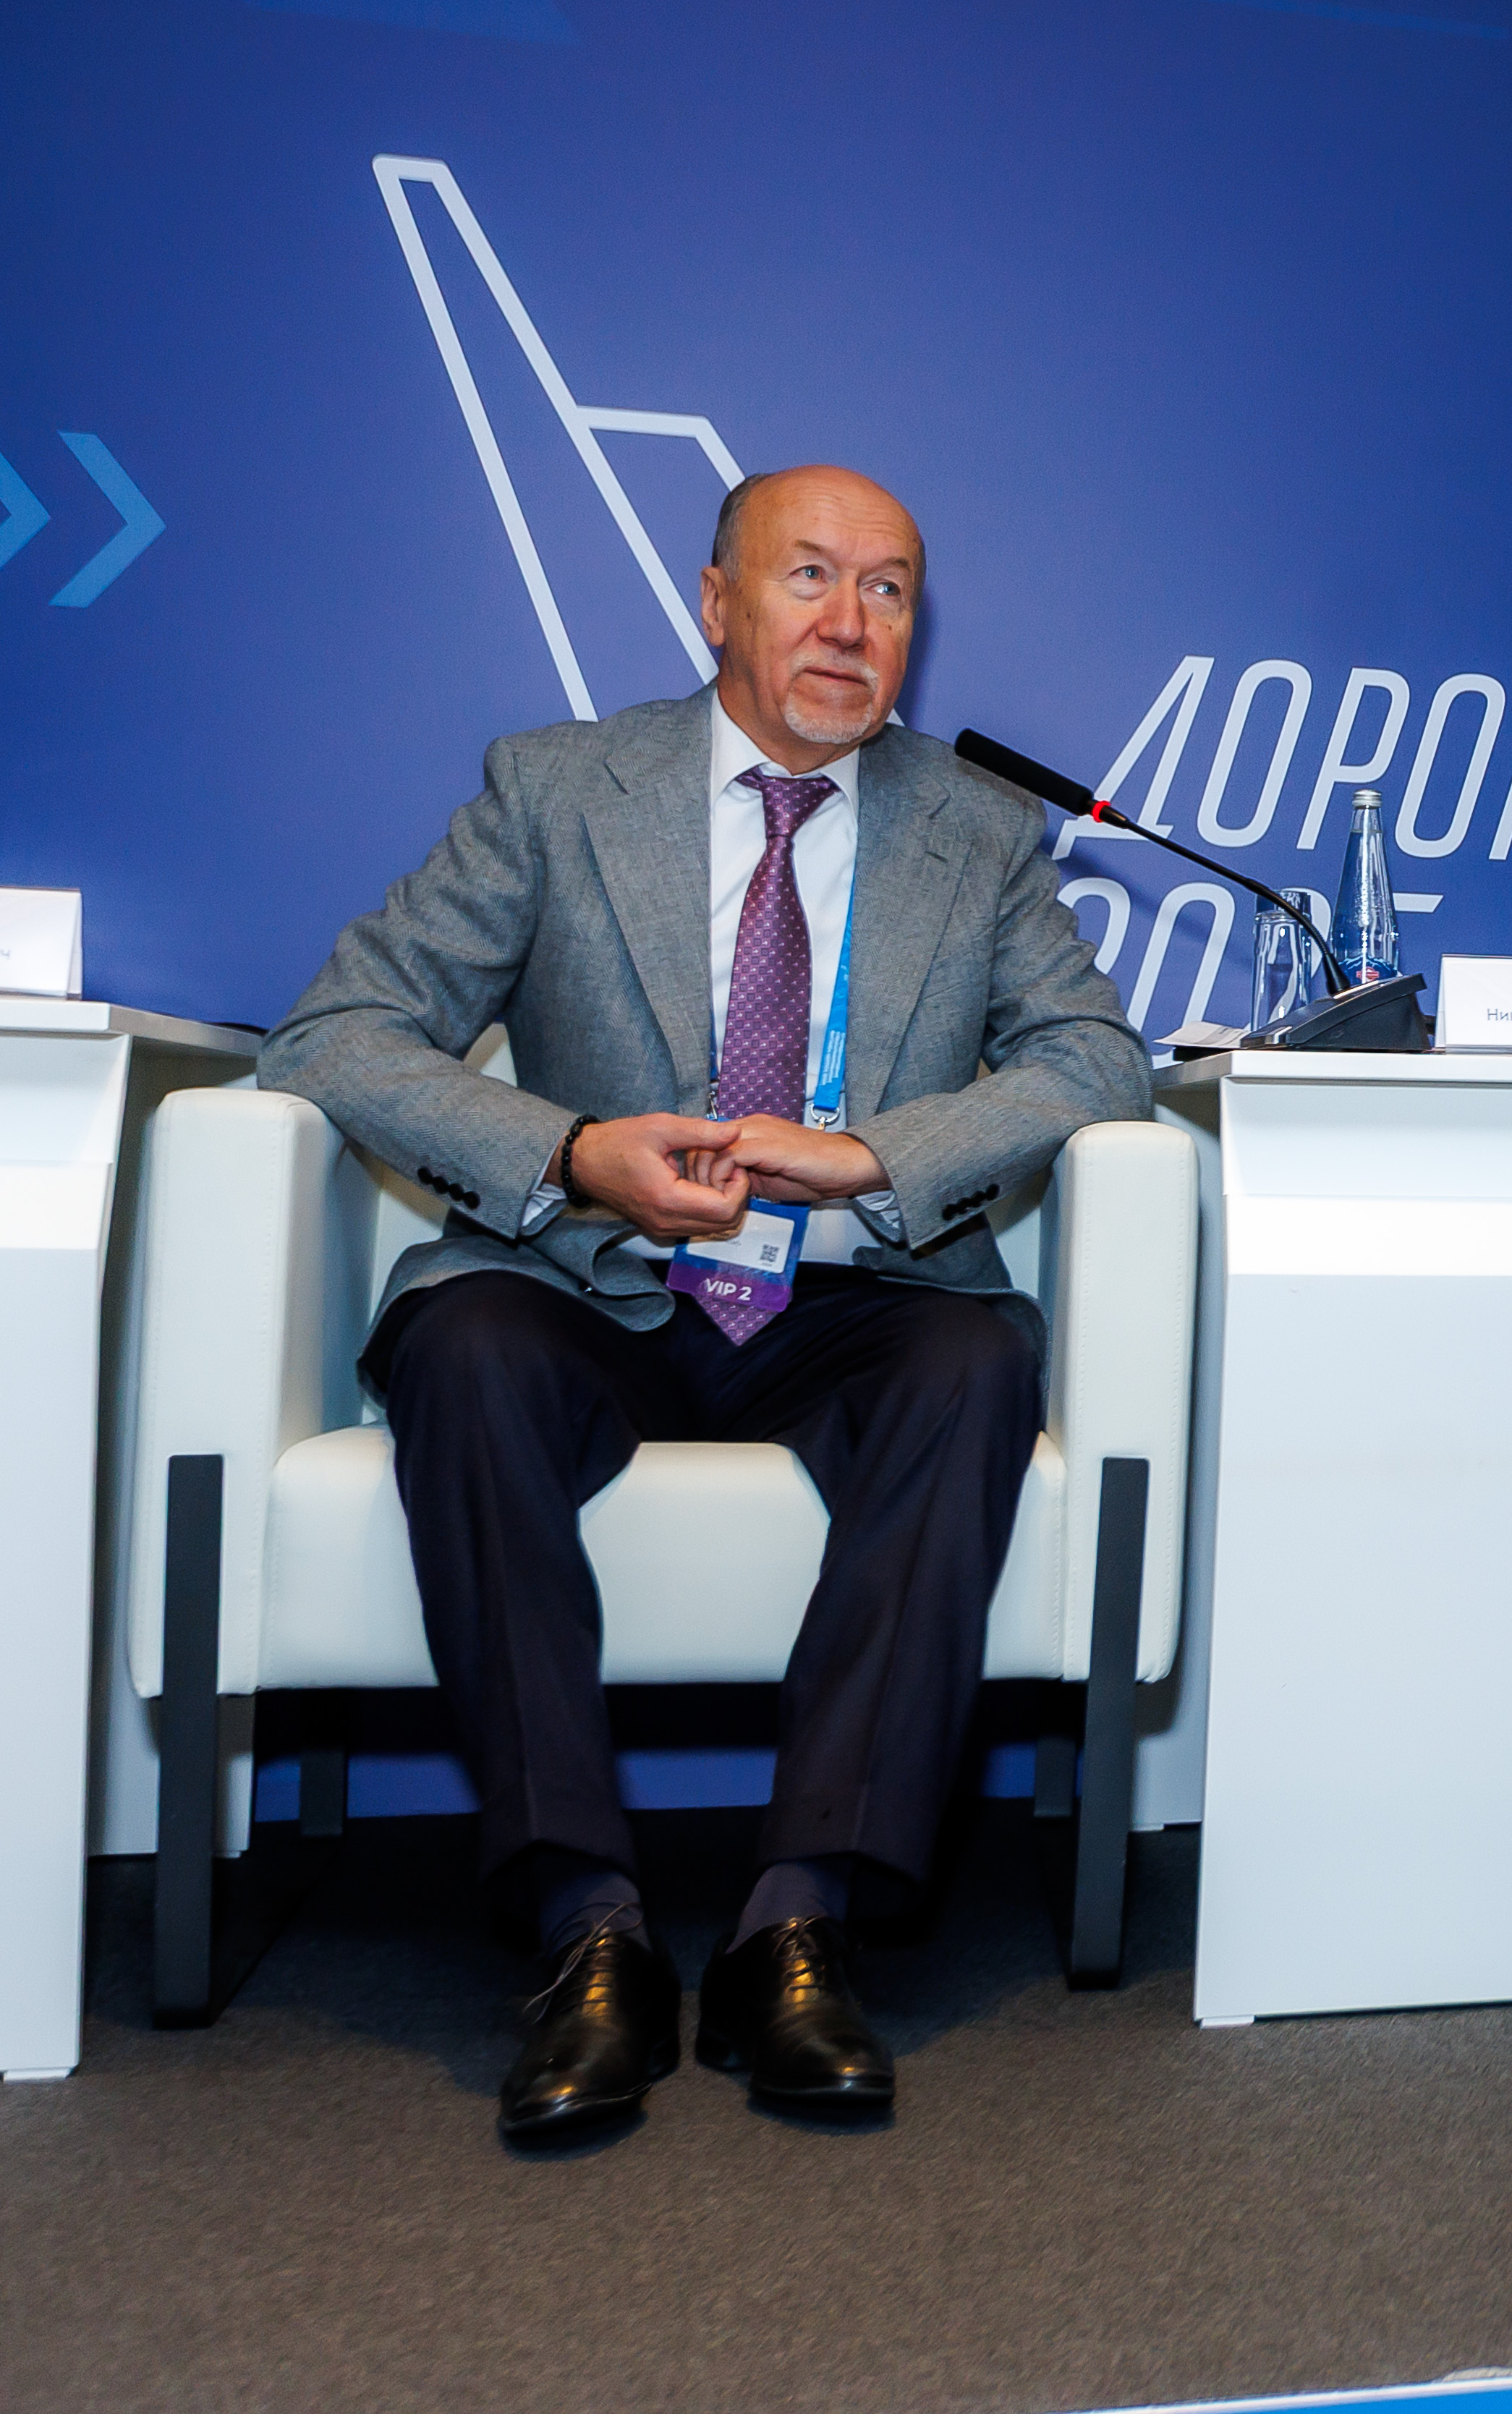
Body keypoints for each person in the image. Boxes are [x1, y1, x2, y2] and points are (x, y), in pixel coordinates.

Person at [263, 466, 1151, 2138]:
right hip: (589, 1283)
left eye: (889, 589)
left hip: (854, 1295)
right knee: (461, 1344)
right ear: (716, 602)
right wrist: (571, 1152)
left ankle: (794, 1923)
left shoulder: (976, 828)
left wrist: (874, 1157)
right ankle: (584, 1926)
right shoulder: (555, 789)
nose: (850, 623)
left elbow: (1097, 1060)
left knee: (975, 1360)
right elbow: (335, 1035)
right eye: (808, 577)